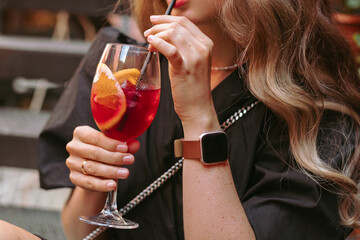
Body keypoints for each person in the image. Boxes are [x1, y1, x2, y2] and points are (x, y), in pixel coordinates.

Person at [38, 0, 360, 239]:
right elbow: (77, 231)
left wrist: (199, 119)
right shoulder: (125, 71)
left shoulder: (308, 111)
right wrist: (94, 180)